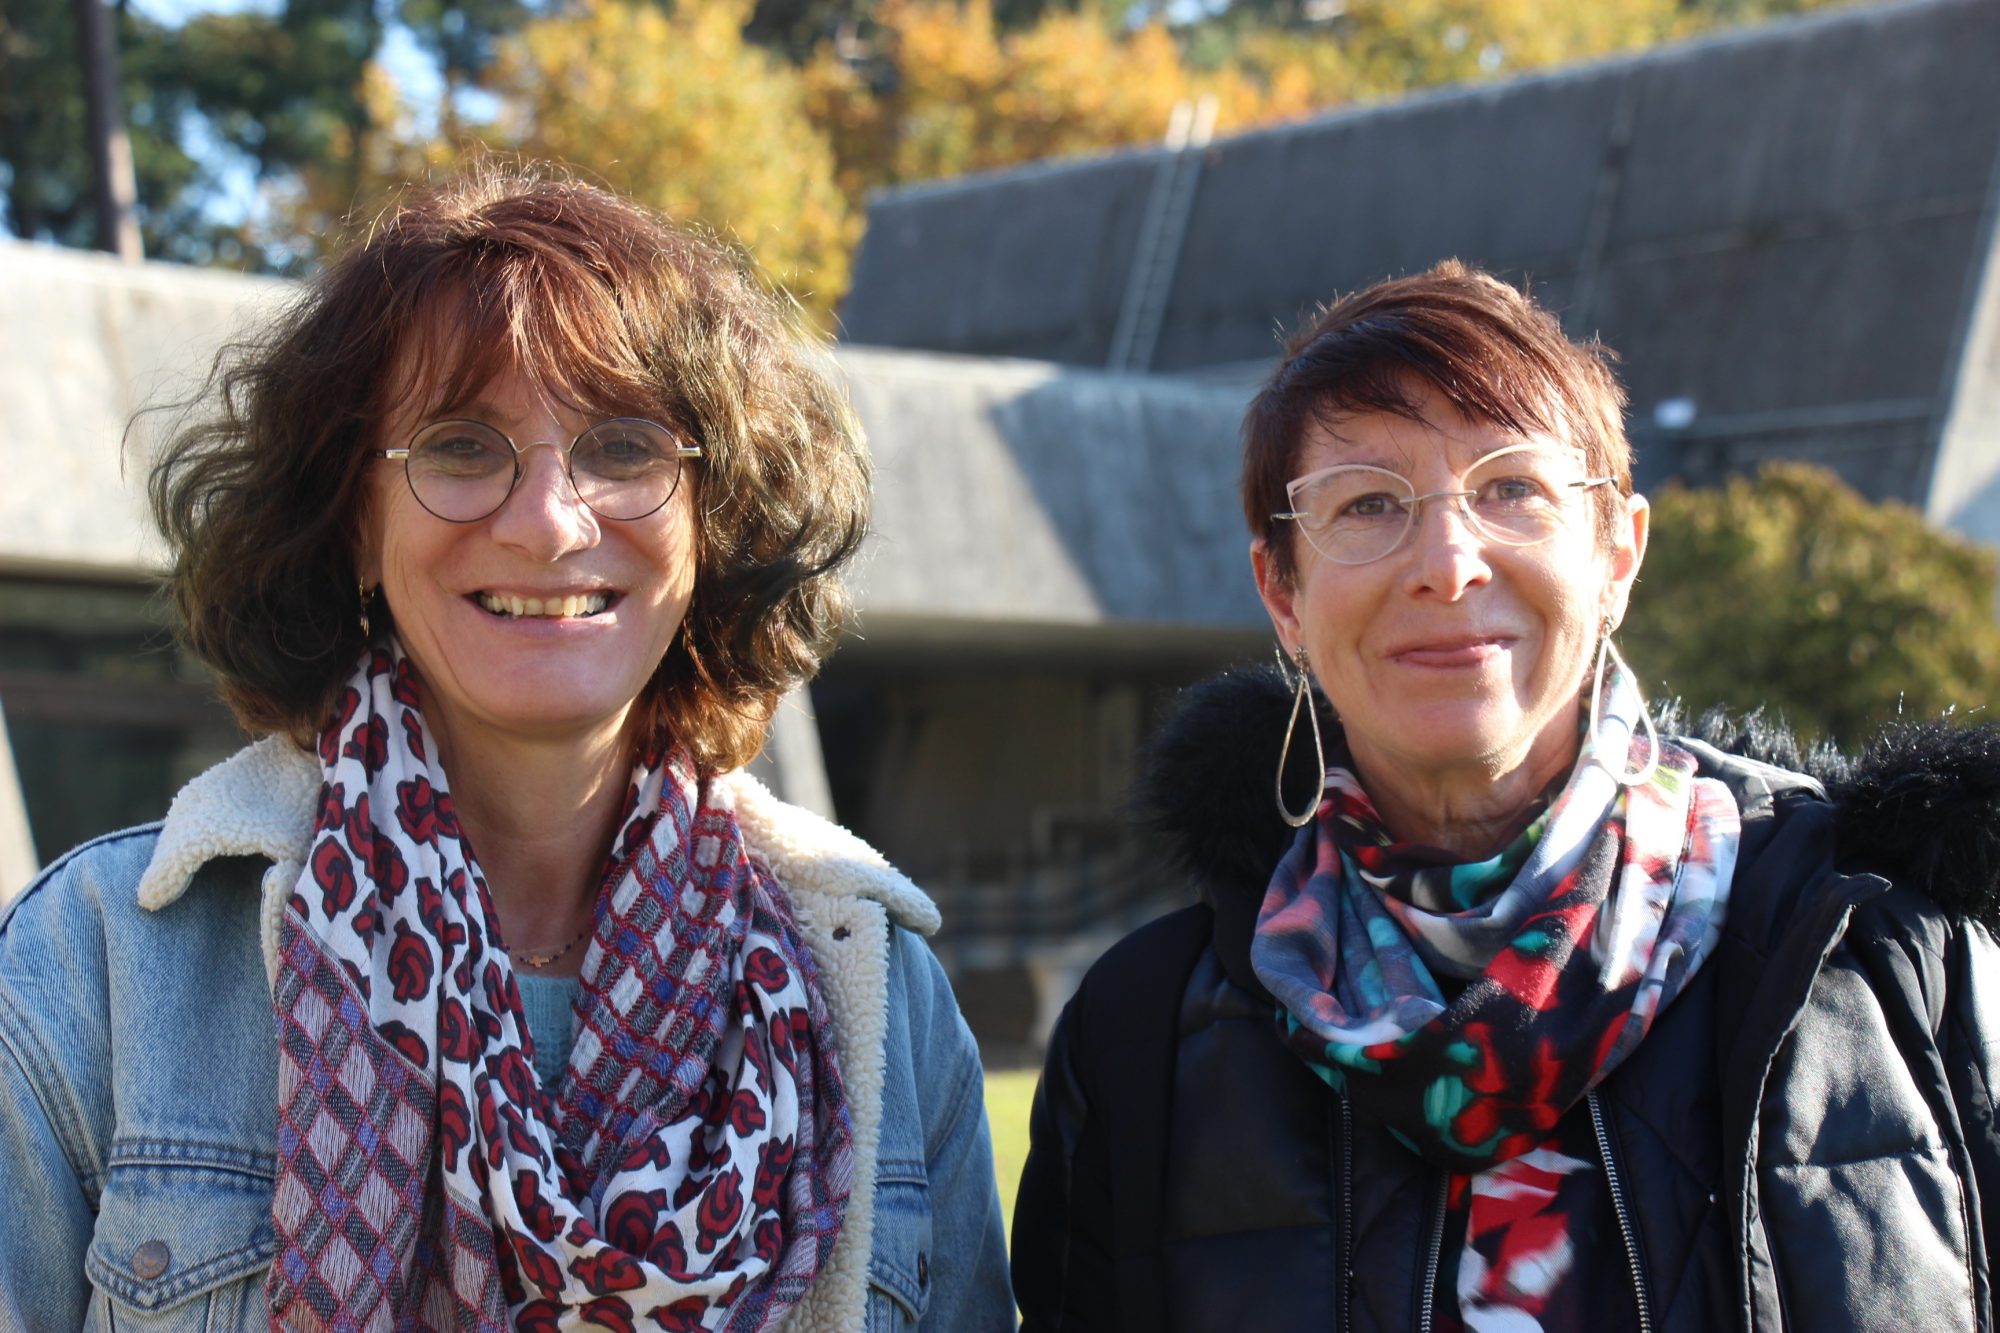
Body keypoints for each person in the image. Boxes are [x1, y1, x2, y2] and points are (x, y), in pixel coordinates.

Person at [0, 167, 1012, 1331]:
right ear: (355, 526)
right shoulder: (97, 967)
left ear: (709, 521)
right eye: (461, 447)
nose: (545, 520)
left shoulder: (875, 989)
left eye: (624, 447)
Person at [1011, 260, 2000, 1332]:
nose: (1446, 561)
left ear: (1617, 553)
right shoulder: (1143, 1037)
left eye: (1510, 488)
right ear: (1281, 594)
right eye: (1368, 503)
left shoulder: (1875, 951)